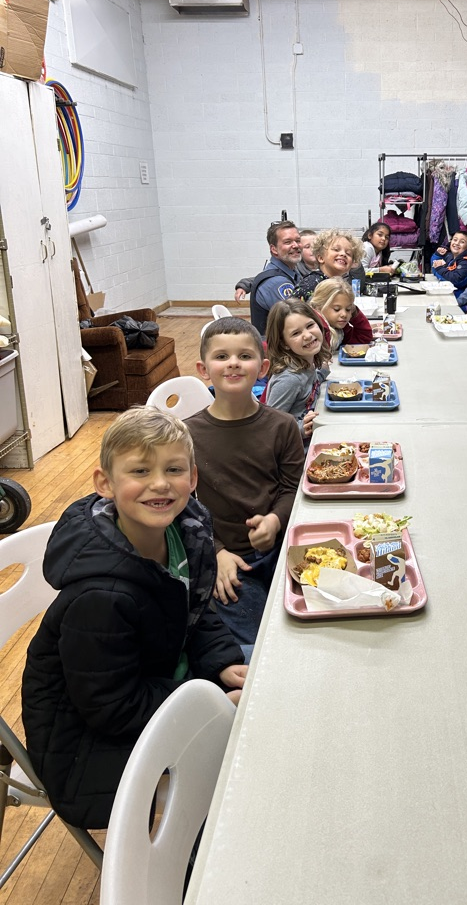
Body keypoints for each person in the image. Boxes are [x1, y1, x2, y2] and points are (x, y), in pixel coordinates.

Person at [21, 407, 246, 831]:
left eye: (174, 469)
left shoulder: (186, 532)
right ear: (105, 483)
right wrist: (205, 706)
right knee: (242, 771)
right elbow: (113, 708)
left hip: (159, 682)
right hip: (88, 747)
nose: (159, 484)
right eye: (140, 471)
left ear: (192, 479)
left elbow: (196, 611)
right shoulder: (100, 599)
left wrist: (220, 659)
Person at [186, 317, 304, 646]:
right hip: (230, 563)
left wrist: (275, 520)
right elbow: (182, 507)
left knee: (306, 627)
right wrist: (217, 551)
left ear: (263, 367)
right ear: (203, 369)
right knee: (264, 647)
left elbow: (292, 487)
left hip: (284, 549)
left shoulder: (283, 426)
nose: (234, 363)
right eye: (221, 356)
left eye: (245, 356)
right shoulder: (187, 435)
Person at [264, 300, 332, 447]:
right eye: (296, 333)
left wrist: (322, 373)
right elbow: (269, 426)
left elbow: (309, 387)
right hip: (296, 456)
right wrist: (301, 428)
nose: (307, 335)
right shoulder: (289, 379)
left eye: (310, 325)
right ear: (284, 344)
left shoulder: (306, 364)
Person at [234, 221, 301, 335]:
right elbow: (297, 321)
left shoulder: (289, 271)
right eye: (287, 242)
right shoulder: (278, 283)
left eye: (298, 240)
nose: (295, 245)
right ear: (274, 249)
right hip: (278, 349)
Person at [295, 229, 367, 300]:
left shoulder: (343, 285)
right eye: (336, 249)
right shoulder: (312, 283)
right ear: (320, 258)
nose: (343, 254)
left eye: (348, 253)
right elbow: (291, 308)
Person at [308, 277, 373, 351]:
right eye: (337, 309)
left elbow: (362, 338)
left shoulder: (339, 328)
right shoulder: (315, 330)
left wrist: (354, 312)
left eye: (348, 309)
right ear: (319, 307)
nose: (344, 314)